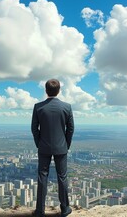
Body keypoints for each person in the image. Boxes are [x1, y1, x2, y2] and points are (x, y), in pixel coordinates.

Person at [31, 79, 74, 217]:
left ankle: (39, 211)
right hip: (61, 148)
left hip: (43, 147)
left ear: (46, 90)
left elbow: (34, 128)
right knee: (62, 177)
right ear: (59, 90)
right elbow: (71, 128)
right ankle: (65, 209)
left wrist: (39, 143)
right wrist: (66, 144)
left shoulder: (38, 107)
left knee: (42, 177)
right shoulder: (67, 107)